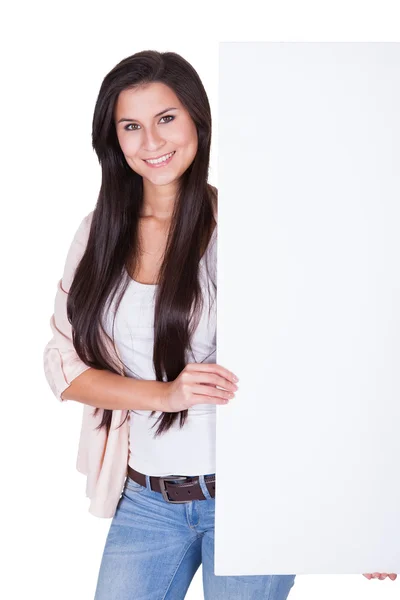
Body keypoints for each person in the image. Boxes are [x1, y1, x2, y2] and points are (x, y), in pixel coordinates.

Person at [43, 50, 396, 600]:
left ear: (197, 121)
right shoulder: (98, 233)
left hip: (252, 499)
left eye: (166, 119)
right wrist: (163, 395)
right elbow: (64, 365)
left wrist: (358, 520)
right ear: (113, 139)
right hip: (143, 501)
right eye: (131, 126)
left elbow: (322, 360)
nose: (152, 143)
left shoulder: (249, 228)